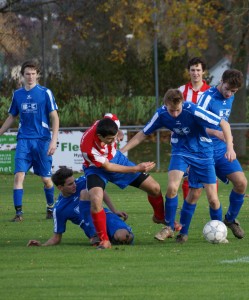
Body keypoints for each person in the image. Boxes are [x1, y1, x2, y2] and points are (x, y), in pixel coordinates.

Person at [120, 89, 236, 243]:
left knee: (213, 200)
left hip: (203, 153)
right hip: (180, 151)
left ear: (182, 103)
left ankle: (220, 232)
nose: (174, 114)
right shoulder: (161, 114)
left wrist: (230, 147)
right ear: (165, 105)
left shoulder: (192, 109)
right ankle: (168, 227)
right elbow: (143, 133)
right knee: (172, 188)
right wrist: (121, 151)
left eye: (177, 110)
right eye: (171, 110)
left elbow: (223, 123)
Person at [80, 113, 167, 249]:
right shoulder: (88, 148)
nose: (113, 140)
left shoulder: (110, 122)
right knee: (96, 199)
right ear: (100, 136)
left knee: (154, 188)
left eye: (114, 137)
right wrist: (136, 168)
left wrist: (118, 132)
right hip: (96, 169)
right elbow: (109, 167)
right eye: (110, 139)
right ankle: (104, 240)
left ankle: (159, 217)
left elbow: (111, 116)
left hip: (117, 159)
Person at [183, 69, 247, 241]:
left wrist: (229, 146)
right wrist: (216, 133)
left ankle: (230, 219)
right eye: (227, 89)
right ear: (221, 81)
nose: (229, 94)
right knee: (195, 193)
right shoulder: (207, 98)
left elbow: (225, 124)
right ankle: (182, 233)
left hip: (221, 151)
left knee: (241, 183)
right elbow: (198, 125)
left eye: (233, 91)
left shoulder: (231, 97)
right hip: (204, 150)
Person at [0, 60, 59, 221]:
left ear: (37, 75)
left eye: (33, 74)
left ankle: (50, 207)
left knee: (46, 180)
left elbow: (54, 117)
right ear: (22, 75)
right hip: (24, 140)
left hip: (42, 140)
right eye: (27, 74)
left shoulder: (45, 92)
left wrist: (53, 141)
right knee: (19, 176)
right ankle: (18, 213)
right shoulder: (17, 94)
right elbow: (12, 116)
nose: (31, 77)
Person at [27, 167, 134, 247]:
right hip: (91, 228)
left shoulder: (83, 182)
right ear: (60, 187)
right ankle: (96, 235)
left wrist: (114, 210)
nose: (74, 185)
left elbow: (101, 191)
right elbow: (56, 238)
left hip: (106, 217)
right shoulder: (59, 209)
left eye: (74, 182)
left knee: (123, 237)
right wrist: (42, 245)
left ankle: (107, 238)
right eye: (70, 184)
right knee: (85, 193)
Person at [178, 57, 211, 200]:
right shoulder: (181, 91)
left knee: (209, 176)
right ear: (189, 72)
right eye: (193, 70)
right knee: (186, 175)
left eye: (198, 70)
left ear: (203, 72)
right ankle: (187, 205)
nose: (195, 73)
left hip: (205, 139)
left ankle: (213, 206)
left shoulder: (211, 92)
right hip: (185, 139)